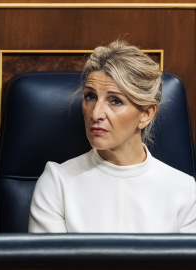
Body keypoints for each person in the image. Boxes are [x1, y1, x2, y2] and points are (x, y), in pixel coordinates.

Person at [29, 40, 196, 233]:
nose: (96, 113)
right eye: (90, 97)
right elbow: (50, 263)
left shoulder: (184, 190)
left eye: (115, 101)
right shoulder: (57, 183)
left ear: (146, 114)